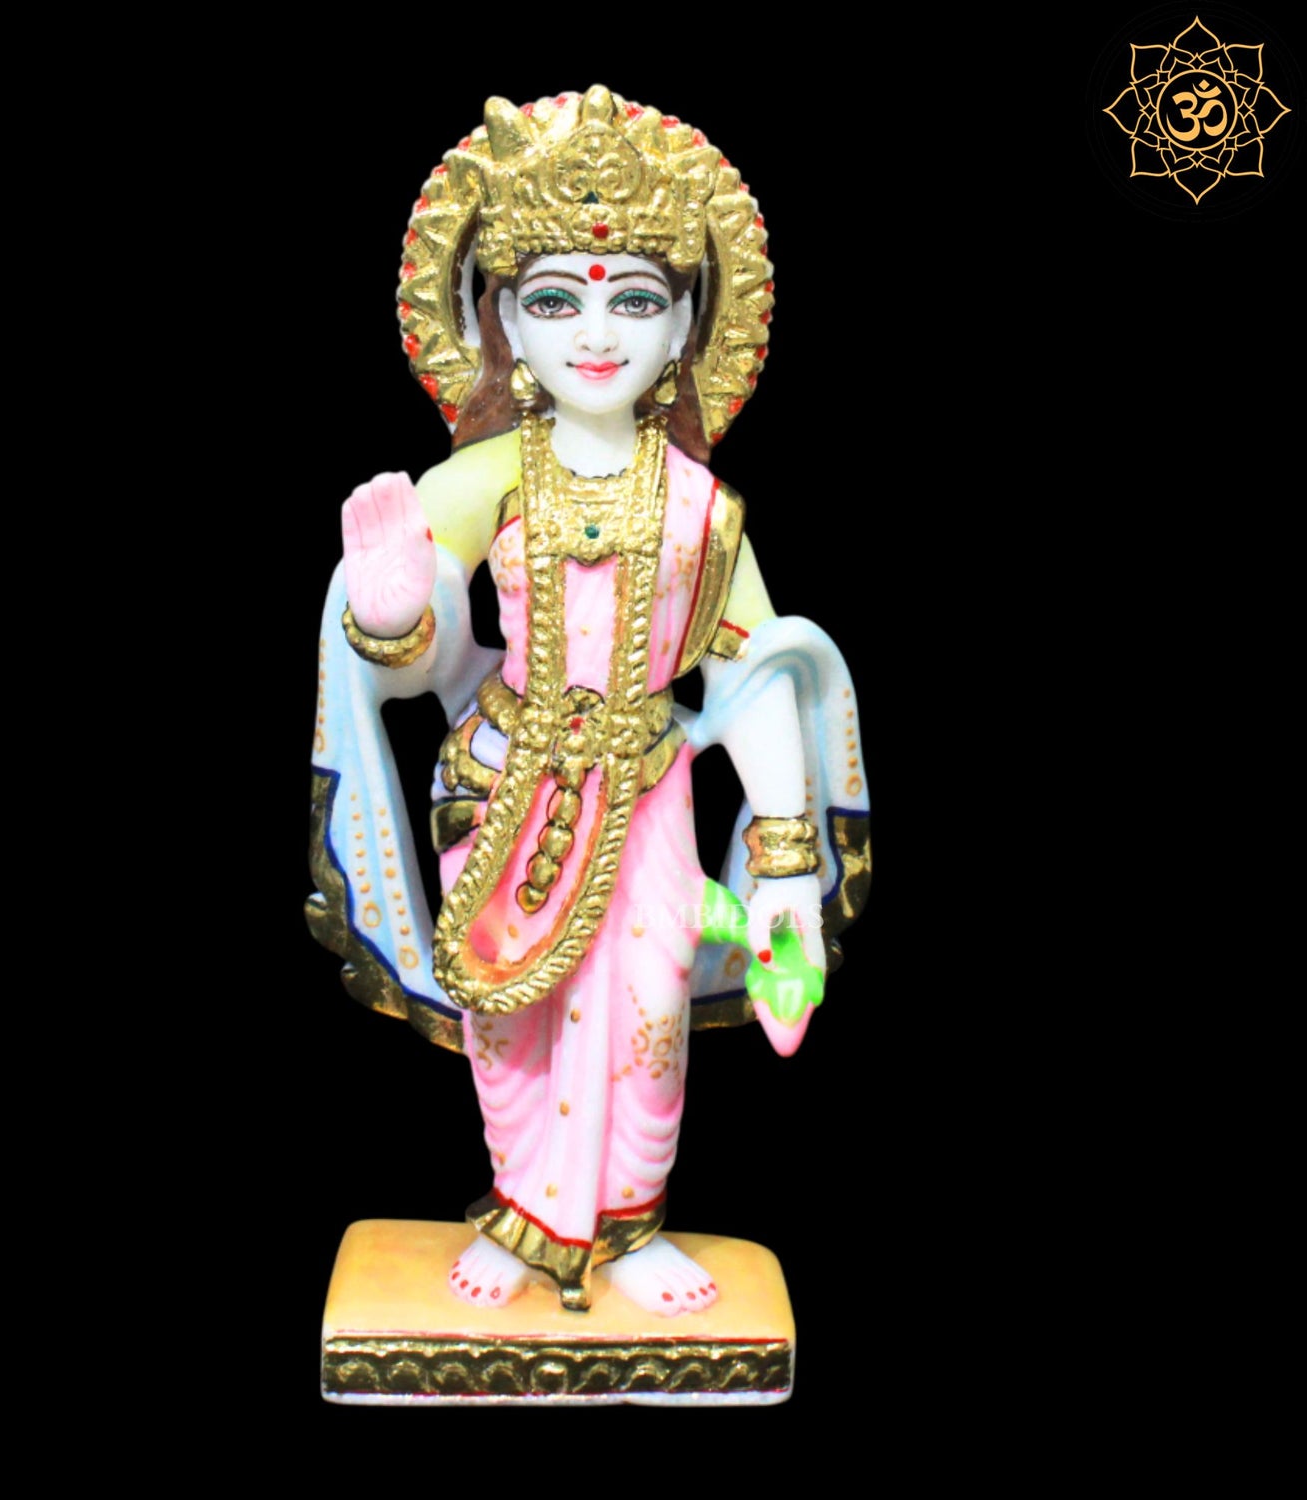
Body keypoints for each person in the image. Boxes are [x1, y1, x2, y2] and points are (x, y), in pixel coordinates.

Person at [307, 86, 870, 1317]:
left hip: (648, 788)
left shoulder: (704, 510)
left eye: (636, 301)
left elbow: (753, 674)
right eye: (557, 300)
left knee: (648, 1010)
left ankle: (625, 1226)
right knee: (513, 1016)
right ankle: (526, 1217)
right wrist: (394, 611)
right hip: (502, 786)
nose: (597, 335)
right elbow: (416, 647)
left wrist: (783, 856)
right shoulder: (489, 474)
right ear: (505, 319)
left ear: (685, 329)